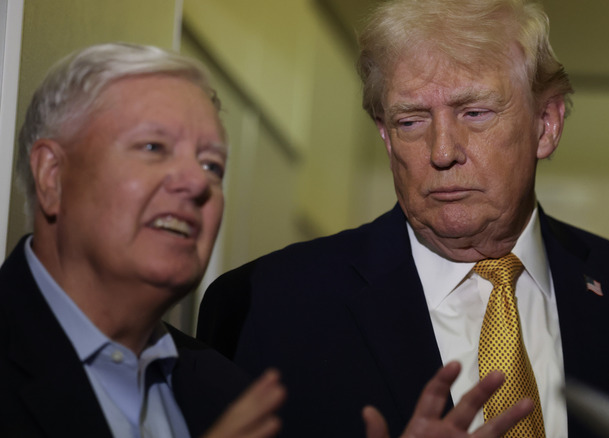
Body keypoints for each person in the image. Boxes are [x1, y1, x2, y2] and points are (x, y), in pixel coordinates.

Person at [0, 42, 533, 438]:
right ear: (52, 175)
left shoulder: (226, 392)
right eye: (153, 147)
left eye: (212, 164)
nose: (195, 183)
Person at [199, 0, 609, 437]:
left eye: (474, 113)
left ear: (546, 125)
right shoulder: (267, 307)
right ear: (385, 137)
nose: (442, 152)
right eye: (411, 120)